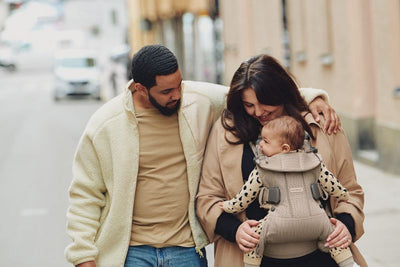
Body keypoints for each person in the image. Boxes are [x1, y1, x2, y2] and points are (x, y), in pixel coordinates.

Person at [65, 45, 339, 267]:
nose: (177, 95)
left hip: (185, 249)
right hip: (131, 252)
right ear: (140, 89)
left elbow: (256, 92)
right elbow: (86, 195)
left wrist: (314, 98)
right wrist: (83, 257)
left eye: (179, 85)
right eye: (167, 91)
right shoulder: (105, 125)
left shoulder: (196, 99)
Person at [196, 54, 367, 267]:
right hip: (251, 258)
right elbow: (207, 198)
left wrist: (345, 225)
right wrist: (235, 230)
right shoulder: (226, 132)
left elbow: (349, 190)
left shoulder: (320, 124)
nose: (258, 112)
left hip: (322, 257)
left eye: (265, 102)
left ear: (281, 93)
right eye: (249, 104)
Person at [219, 115, 354, 267]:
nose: (260, 145)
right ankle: (348, 263)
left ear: (284, 148)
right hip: (317, 220)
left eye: (265, 141)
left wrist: (230, 206)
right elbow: (331, 183)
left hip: (277, 223)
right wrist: (343, 194)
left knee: (255, 239)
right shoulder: (314, 162)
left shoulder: (263, 168)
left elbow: (246, 195)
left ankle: (251, 265)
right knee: (333, 237)